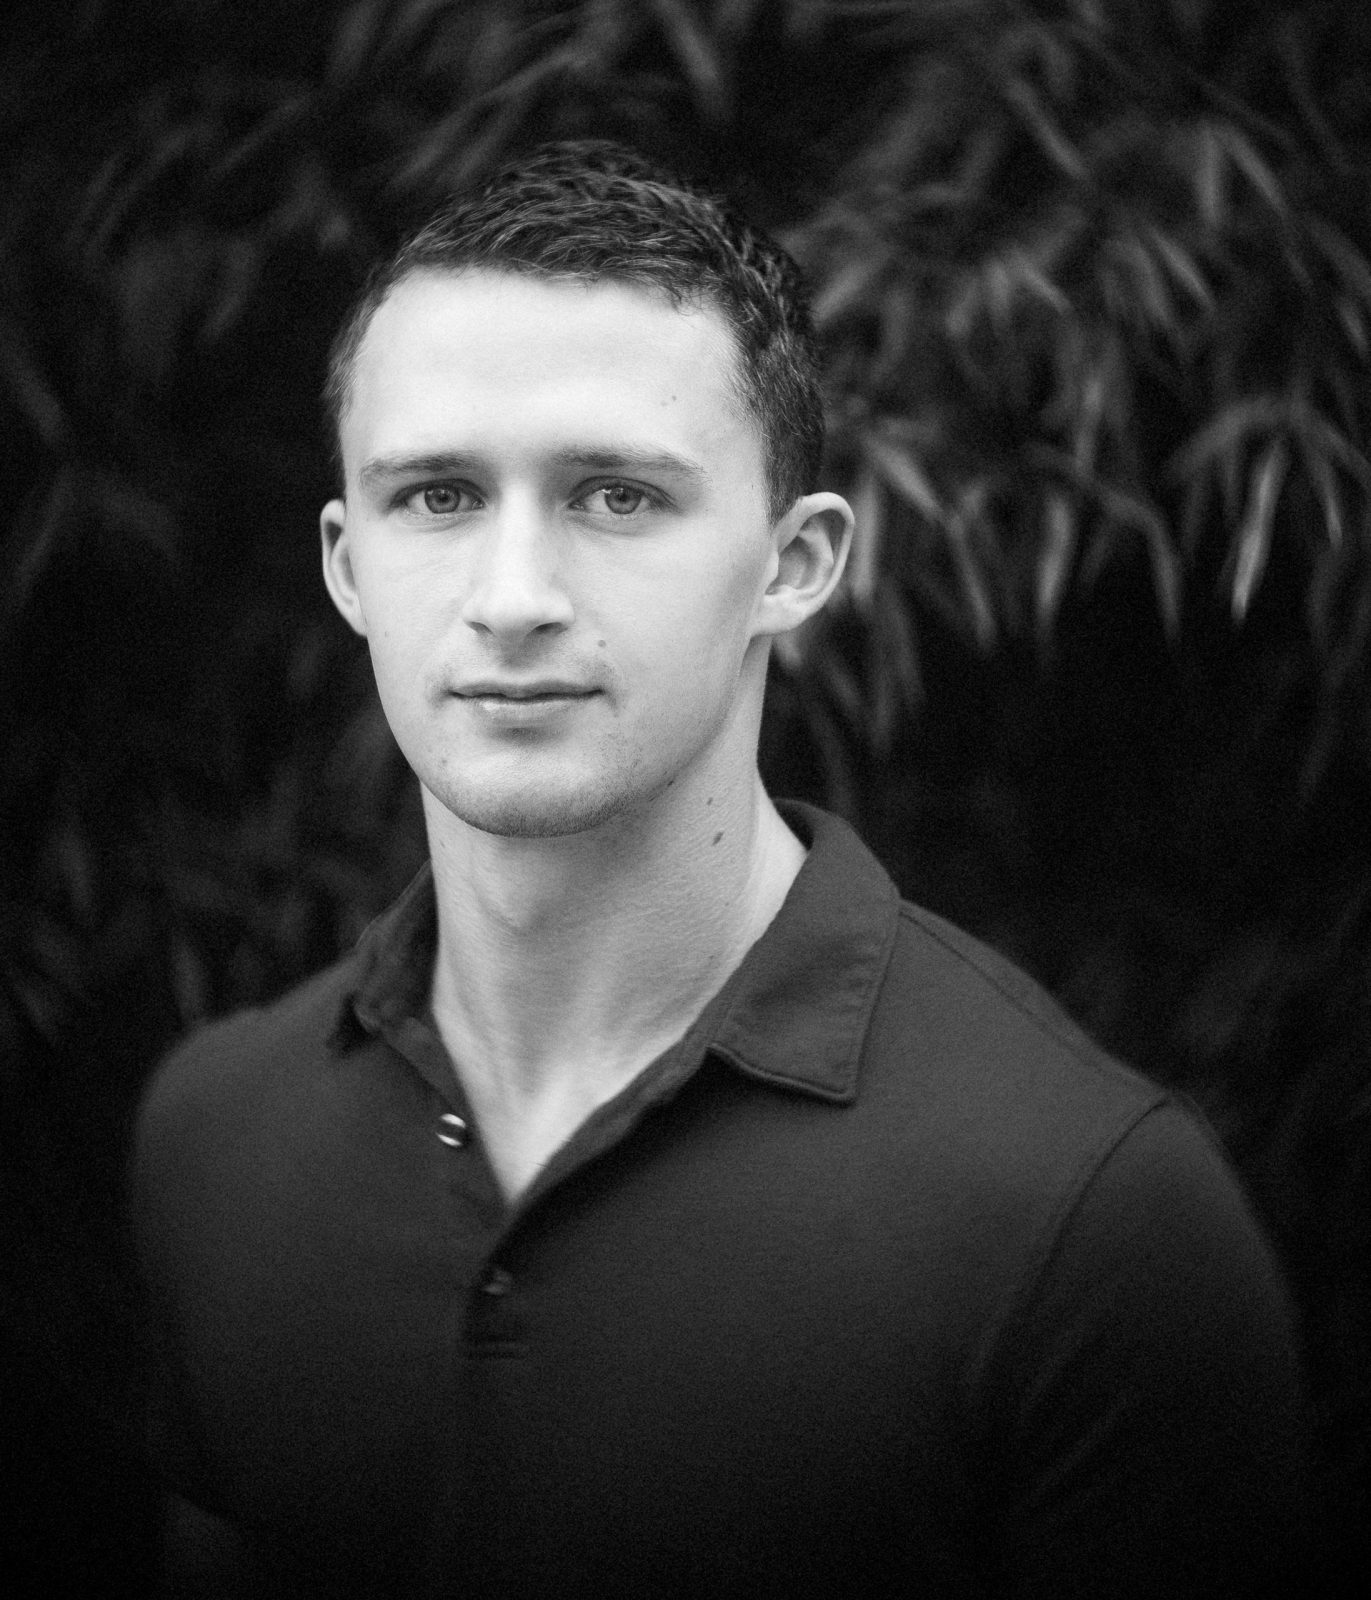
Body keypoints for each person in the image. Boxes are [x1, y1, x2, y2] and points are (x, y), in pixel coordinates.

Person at [131, 141, 1309, 1600]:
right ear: (347, 562)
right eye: (435, 496)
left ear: (796, 562)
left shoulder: (1091, 1219)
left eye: (617, 497)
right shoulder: (217, 1137)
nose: (511, 600)